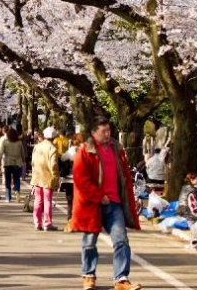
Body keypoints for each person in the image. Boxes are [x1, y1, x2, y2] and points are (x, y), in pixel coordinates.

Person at [71, 116, 141, 290]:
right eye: (103, 131)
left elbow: (123, 176)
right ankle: (88, 275)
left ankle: (121, 278)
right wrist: (99, 195)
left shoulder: (116, 149)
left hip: (115, 202)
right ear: (94, 133)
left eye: (109, 130)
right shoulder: (86, 151)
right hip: (92, 204)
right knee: (89, 242)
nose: (108, 134)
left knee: (121, 240)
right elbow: (81, 179)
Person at [31, 127, 60, 231]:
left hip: (37, 176)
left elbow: (33, 162)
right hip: (48, 177)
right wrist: (56, 177)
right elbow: (54, 165)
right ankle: (47, 223)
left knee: (38, 199)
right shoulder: (53, 148)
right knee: (47, 200)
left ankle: (37, 222)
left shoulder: (37, 147)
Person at [0, 127, 25, 203]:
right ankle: (17, 191)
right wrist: (23, 160)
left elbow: (1, 153)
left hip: (7, 162)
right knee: (17, 179)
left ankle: (8, 197)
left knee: (8, 180)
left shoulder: (5, 142)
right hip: (17, 162)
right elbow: (22, 153)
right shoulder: (19, 143)